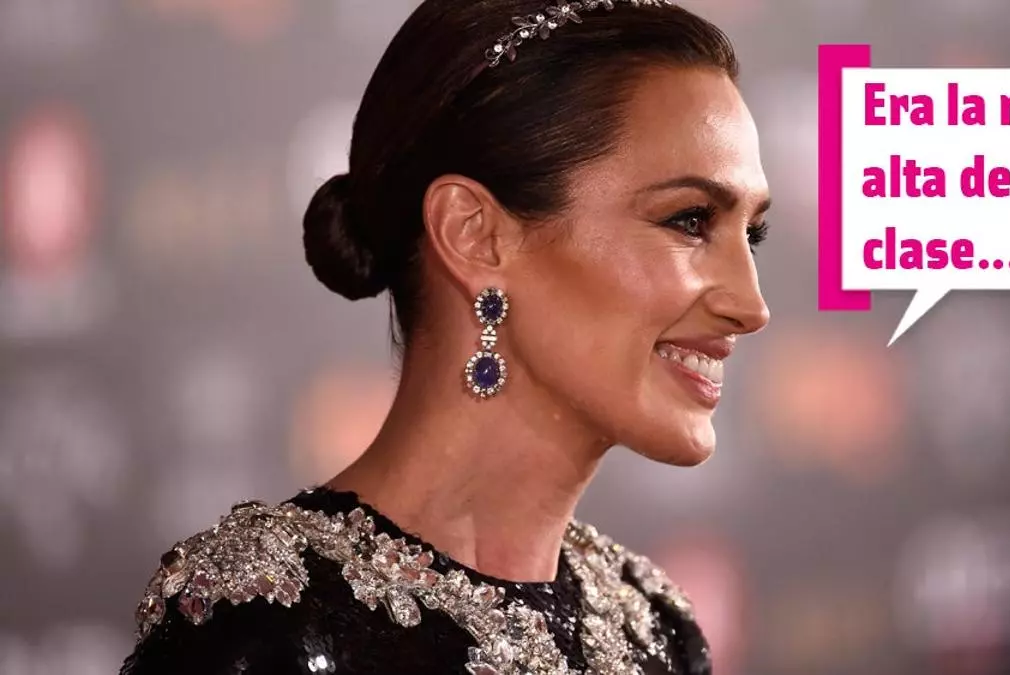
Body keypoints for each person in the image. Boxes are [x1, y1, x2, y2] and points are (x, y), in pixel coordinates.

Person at [120, 0, 771, 671]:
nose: (752, 306)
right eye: (690, 220)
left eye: (752, 234)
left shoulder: (658, 631)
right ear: (474, 234)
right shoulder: (264, 632)